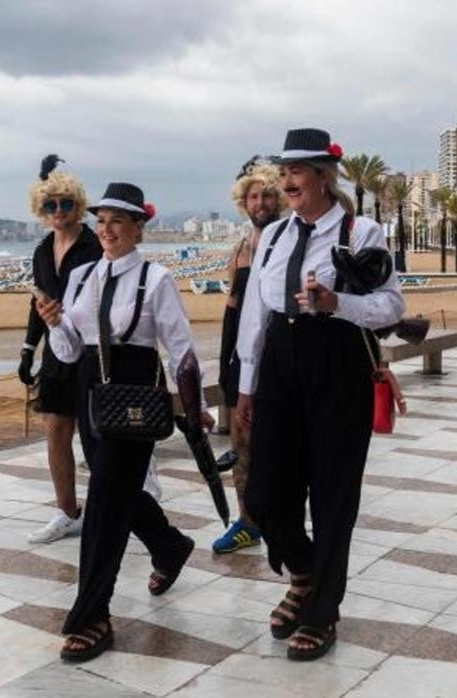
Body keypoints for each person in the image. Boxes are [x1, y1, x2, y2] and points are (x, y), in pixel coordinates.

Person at [236, 128, 405, 661]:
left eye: (295, 171)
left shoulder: (362, 231)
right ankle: (305, 571)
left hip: (336, 362)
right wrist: (246, 385)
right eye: (282, 171)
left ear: (323, 177)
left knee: (333, 497)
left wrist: (338, 304)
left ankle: (322, 610)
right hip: (281, 363)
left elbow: (392, 307)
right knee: (264, 493)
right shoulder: (276, 236)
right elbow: (256, 314)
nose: (286, 180)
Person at [36, 182, 210, 663]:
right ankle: (170, 546)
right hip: (91, 390)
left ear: (138, 228)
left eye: (117, 221)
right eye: (102, 220)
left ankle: (93, 614)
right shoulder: (83, 277)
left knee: (106, 504)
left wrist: (193, 403)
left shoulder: (155, 279)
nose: (106, 229)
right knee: (121, 491)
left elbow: (180, 346)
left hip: (134, 394)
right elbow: (71, 350)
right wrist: (54, 323)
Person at [20, 156, 102, 544]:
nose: (58, 211)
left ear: (78, 206)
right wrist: (27, 348)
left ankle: (107, 511)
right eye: (50, 205)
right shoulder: (41, 250)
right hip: (55, 351)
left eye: (65, 204)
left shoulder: (94, 245)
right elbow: (38, 302)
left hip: (91, 352)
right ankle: (67, 511)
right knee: (55, 430)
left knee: (95, 437)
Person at [212, 158, 286, 554]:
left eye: (267, 195)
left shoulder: (286, 241)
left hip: (278, 358)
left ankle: (278, 518)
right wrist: (227, 366)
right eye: (254, 196)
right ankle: (247, 522)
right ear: (244, 202)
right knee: (242, 444)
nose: (261, 202)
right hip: (241, 359)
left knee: (276, 444)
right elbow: (232, 307)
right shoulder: (241, 248)